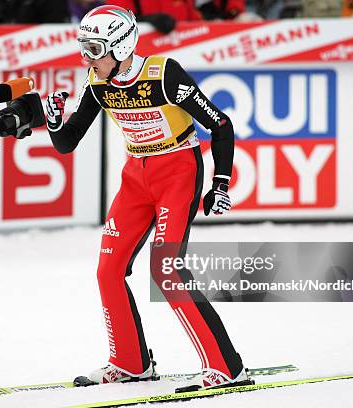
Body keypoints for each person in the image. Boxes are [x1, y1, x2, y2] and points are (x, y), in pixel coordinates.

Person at [45, 4, 248, 388]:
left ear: (121, 47)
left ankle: (227, 367)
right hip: (136, 176)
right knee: (108, 271)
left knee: (166, 268)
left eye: (94, 49)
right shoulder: (98, 80)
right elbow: (68, 141)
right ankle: (131, 362)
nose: (87, 58)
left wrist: (219, 183)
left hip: (178, 170)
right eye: (83, 48)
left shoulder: (163, 74)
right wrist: (54, 121)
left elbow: (220, 124)